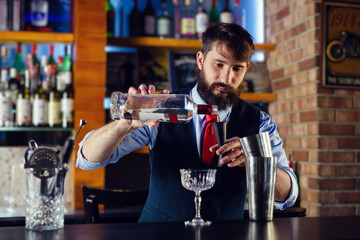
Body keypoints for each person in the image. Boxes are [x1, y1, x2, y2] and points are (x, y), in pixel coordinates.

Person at [77, 23, 299, 222]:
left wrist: (255, 161)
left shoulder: (259, 122)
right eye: (219, 64)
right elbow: (88, 159)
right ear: (200, 60)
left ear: (246, 69)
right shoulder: (162, 107)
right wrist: (123, 125)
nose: (226, 78)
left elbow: (288, 195)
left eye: (236, 68)